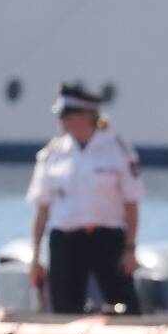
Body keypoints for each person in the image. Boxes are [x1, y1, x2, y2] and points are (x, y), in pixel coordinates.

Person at [27, 83, 144, 315]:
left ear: (84, 116)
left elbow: (132, 203)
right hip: (66, 240)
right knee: (64, 308)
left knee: (126, 306)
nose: (62, 122)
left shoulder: (117, 149)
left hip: (107, 239)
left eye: (67, 116)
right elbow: (42, 209)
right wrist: (35, 256)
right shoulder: (53, 153)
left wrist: (130, 248)